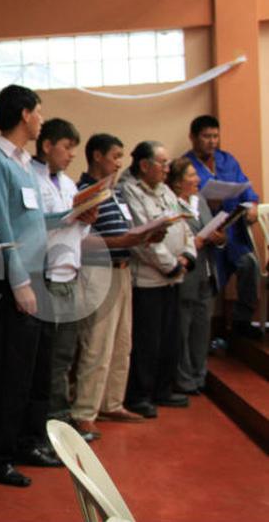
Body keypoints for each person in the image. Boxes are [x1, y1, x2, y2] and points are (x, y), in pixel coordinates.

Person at [0, 85, 61, 488]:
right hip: (14, 284)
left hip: (36, 278)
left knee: (36, 370)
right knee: (10, 374)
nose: (41, 119)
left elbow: (34, 222)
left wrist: (73, 214)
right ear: (25, 114)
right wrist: (19, 282)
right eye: (39, 112)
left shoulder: (25, 163)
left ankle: (29, 440)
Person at [71, 134, 155, 437]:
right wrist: (123, 240)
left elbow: (125, 229)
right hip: (97, 272)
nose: (120, 163)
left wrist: (146, 235)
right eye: (115, 156)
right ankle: (83, 412)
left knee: (122, 342)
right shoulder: (84, 191)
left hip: (122, 270)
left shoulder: (115, 192)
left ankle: (112, 402)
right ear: (96, 156)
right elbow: (79, 241)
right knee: (96, 345)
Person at [29, 119, 97, 436]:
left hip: (70, 273)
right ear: (47, 145)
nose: (71, 155)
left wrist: (86, 218)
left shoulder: (68, 183)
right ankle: (53, 424)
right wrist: (71, 216)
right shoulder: (30, 177)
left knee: (66, 354)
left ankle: (62, 419)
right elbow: (33, 227)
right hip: (46, 276)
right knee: (51, 358)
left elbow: (75, 233)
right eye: (67, 147)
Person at [120, 141, 196, 417]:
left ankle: (163, 389)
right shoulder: (129, 190)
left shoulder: (164, 190)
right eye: (162, 163)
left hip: (174, 276)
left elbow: (184, 223)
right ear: (144, 165)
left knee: (169, 337)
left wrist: (188, 256)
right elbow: (142, 238)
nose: (167, 169)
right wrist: (171, 265)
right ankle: (140, 394)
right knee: (147, 341)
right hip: (149, 279)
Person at [183, 115, 262, 340]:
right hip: (205, 233)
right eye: (206, 136)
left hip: (233, 232)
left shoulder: (228, 160)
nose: (212, 141)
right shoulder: (185, 165)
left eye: (215, 136)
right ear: (193, 138)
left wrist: (252, 205)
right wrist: (207, 203)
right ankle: (204, 335)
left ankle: (242, 320)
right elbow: (181, 198)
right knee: (210, 281)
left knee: (249, 265)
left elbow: (246, 188)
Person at [167, 157, 224, 395]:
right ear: (179, 183)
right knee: (183, 329)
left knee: (202, 327)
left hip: (206, 272)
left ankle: (200, 376)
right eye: (191, 176)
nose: (197, 179)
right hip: (186, 274)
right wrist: (197, 241)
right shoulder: (170, 205)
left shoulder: (199, 201)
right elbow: (174, 241)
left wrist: (219, 238)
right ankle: (184, 379)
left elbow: (211, 228)